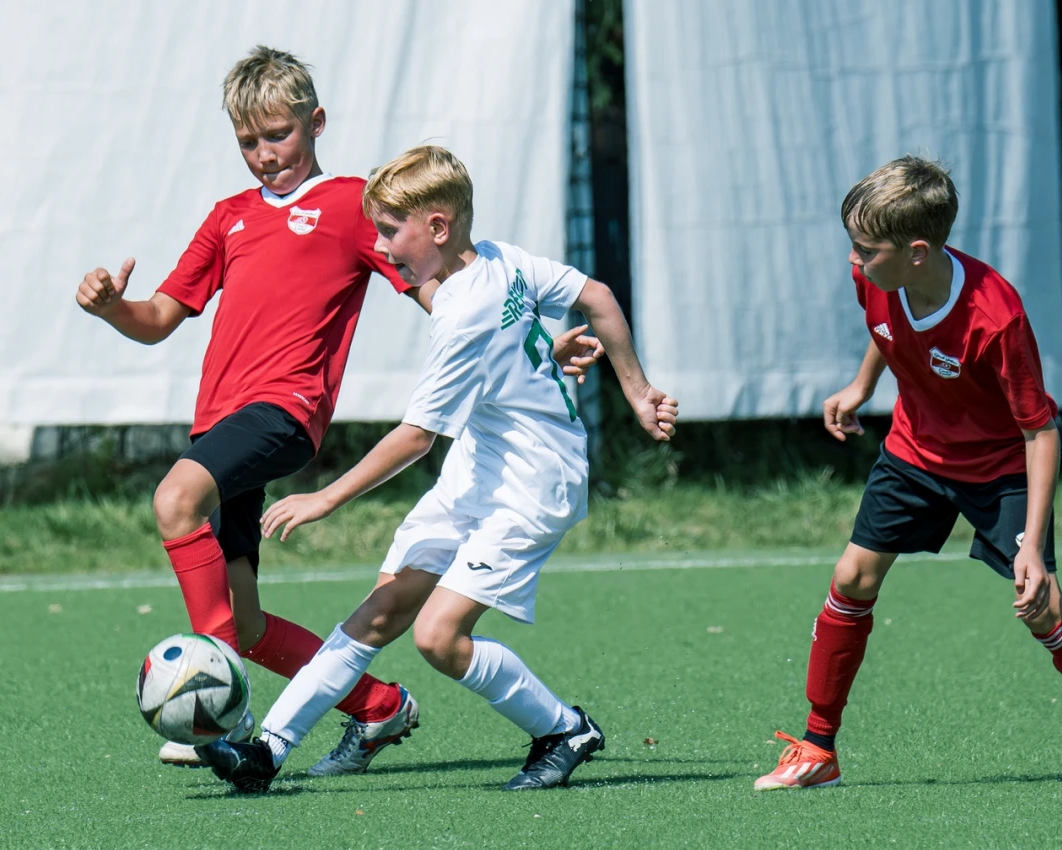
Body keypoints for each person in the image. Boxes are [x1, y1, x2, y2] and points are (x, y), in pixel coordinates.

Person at [74, 47, 599, 772]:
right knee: (245, 622)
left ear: (315, 123)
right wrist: (112, 308)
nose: (265, 154)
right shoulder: (227, 218)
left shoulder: (352, 205)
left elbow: (444, 292)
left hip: (284, 411)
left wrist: (530, 349)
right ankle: (379, 706)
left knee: (174, 499)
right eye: (248, 142)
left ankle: (223, 712)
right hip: (219, 425)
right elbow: (159, 317)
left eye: (278, 135)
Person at [195, 145, 678, 793]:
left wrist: (325, 498)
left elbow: (418, 437)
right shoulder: (501, 259)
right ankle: (268, 750)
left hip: (532, 485)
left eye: (391, 230)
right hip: (479, 471)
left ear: (439, 227)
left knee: (439, 637)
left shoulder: (461, 315)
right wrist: (634, 390)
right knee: (379, 612)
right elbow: (598, 297)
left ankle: (564, 729)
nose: (381, 245)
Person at [755, 156, 1062, 792]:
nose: (853, 261)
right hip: (916, 450)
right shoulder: (876, 276)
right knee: (852, 577)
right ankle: (817, 748)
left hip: (1001, 466)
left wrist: (1032, 546)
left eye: (865, 249)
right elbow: (887, 326)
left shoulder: (996, 316)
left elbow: (1041, 431)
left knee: (1041, 605)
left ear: (917, 252)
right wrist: (862, 385)